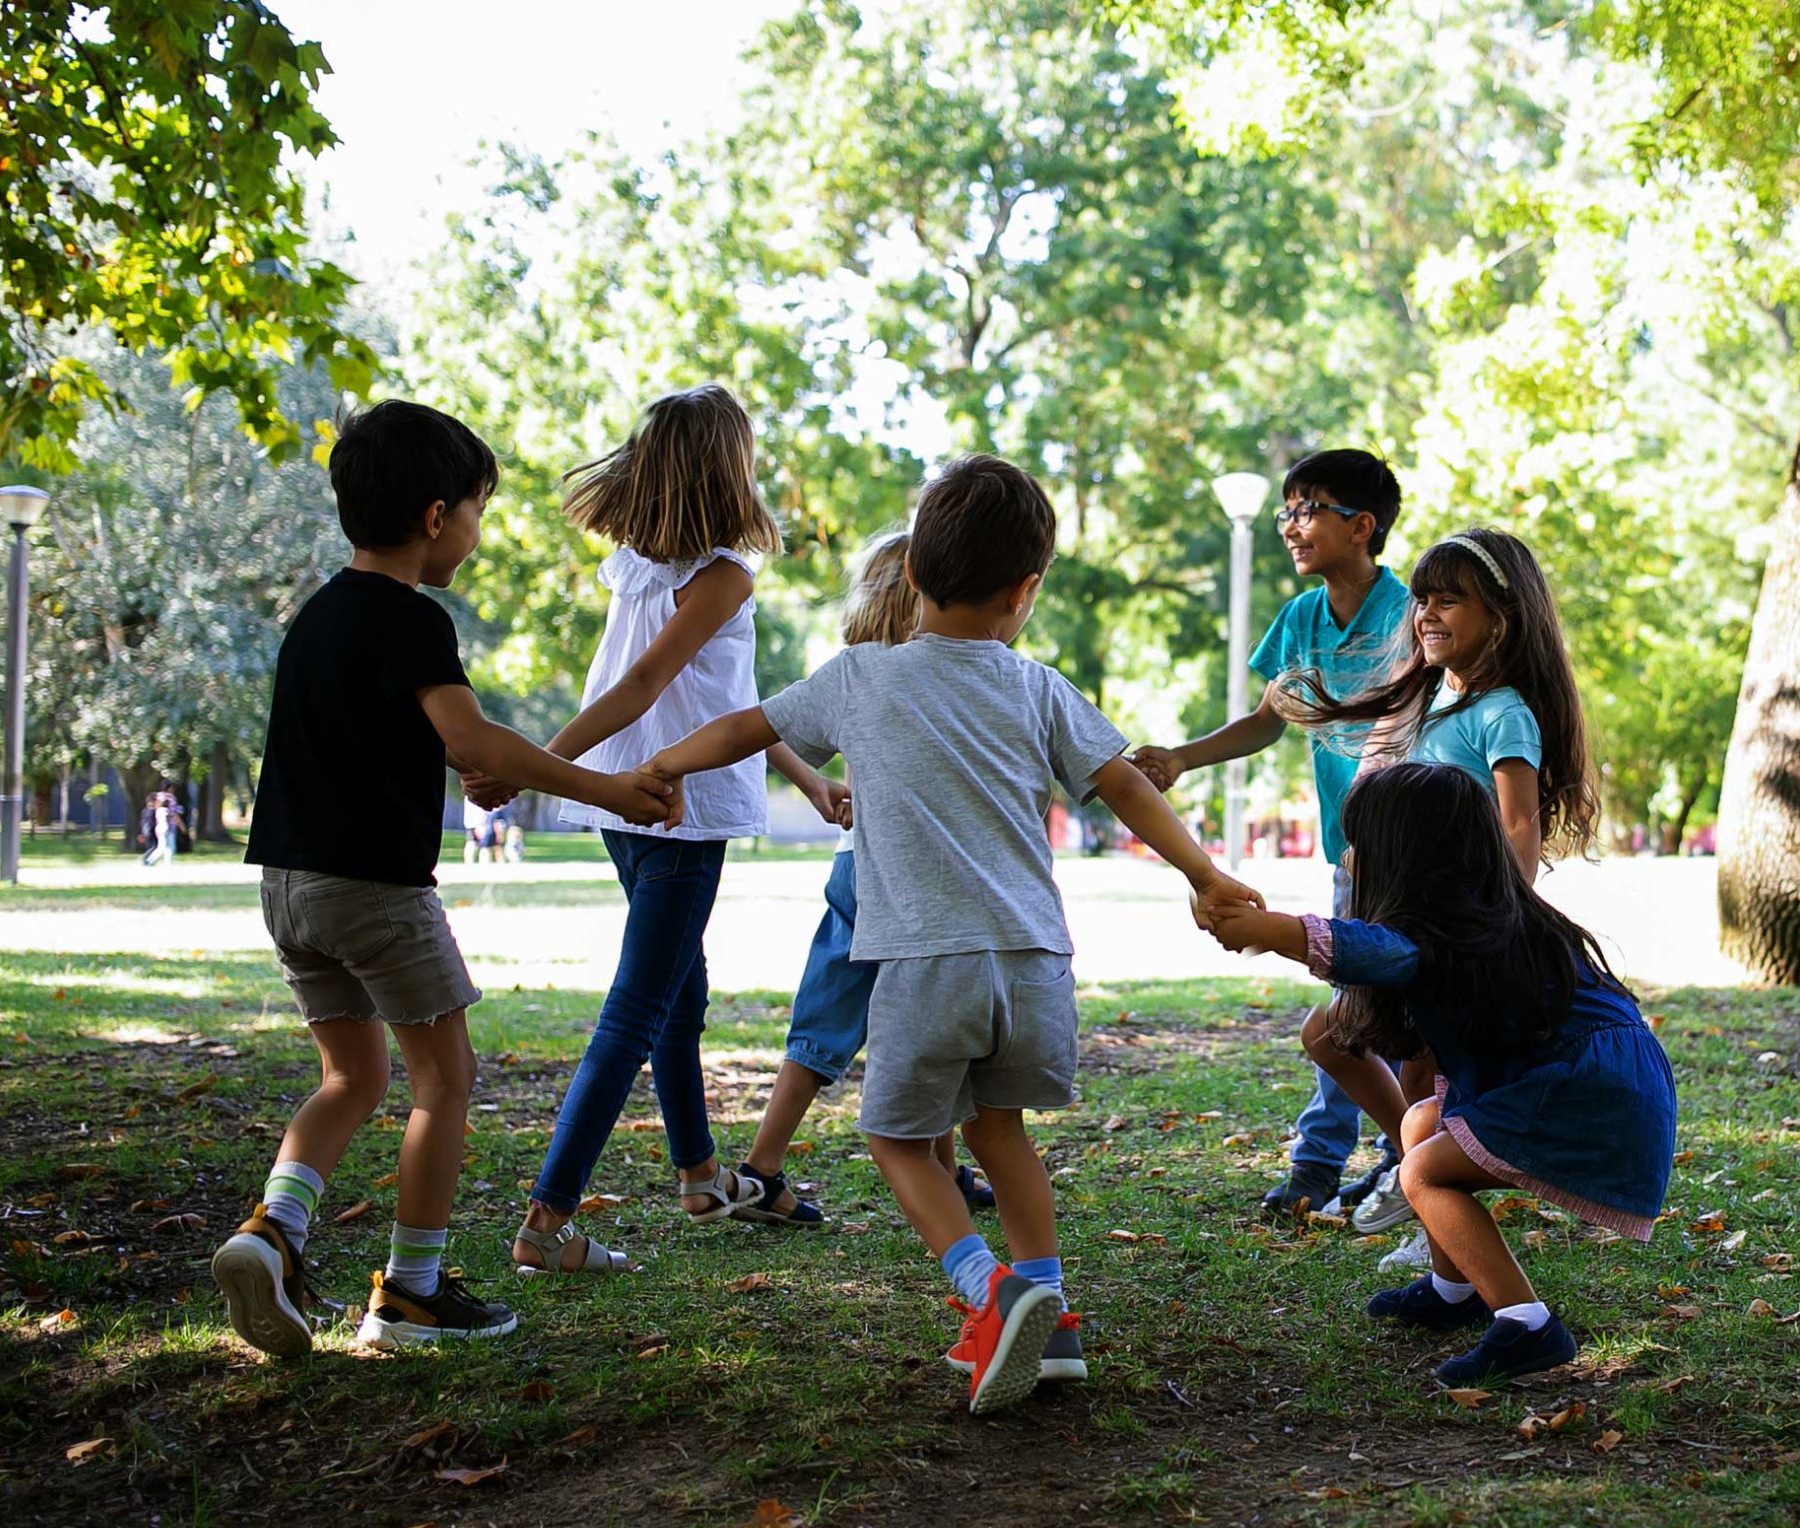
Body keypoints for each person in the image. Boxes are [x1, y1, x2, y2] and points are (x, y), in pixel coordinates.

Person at [644, 453, 1260, 1413]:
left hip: (928, 963)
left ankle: (989, 1288)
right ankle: (1051, 1322)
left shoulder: (860, 677)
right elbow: (1126, 782)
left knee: (893, 1133)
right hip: (1035, 964)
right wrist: (1206, 872)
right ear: (1026, 590)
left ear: (911, 578)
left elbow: (746, 726)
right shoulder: (1036, 686)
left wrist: (668, 763)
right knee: (1001, 1133)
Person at [209, 399, 677, 1358]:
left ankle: (275, 1231)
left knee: (350, 1075)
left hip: (288, 888)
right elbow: (471, 740)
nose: (475, 527)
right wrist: (607, 788)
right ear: (435, 517)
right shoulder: (413, 619)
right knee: (444, 1081)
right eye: (475, 508)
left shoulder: (315, 618)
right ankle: (412, 1290)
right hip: (374, 892)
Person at [484, 385, 846, 1276]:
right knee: (640, 1008)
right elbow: (646, 683)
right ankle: (548, 1216)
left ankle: (697, 1172)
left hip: (627, 799)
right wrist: (530, 763)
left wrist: (804, 771)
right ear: (732, 466)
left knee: (680, 996)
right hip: (674, 807)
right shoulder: (720, 572)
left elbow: (724, 699)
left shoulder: (639, 567)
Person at [1201, 762, 1673, 1385]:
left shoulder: (1444, 934)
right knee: (1421, 1124)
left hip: (1588, 1094)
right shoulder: (1484, 917)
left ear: (1405, 859)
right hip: (1590, 1085)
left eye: (1359, 845)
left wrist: (1271, 930)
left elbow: (1373, 948)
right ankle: (1454, 1291)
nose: (1348, 859)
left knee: (1422, 1171)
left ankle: (1528, 1324)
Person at [1291, 527, 1600, 1250]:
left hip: (1459, 931)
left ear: (1501, 613)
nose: (1426, 612)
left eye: (1449, 600)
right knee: (1333, 1037)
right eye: (1421, 599)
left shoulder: (1503, 712)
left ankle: (1429, 1202)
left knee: (1420, 1067)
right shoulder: (1424, 699)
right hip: (1405, 920)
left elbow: (1519, 821)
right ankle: (1415, 1170)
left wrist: (1506, 921)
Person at [1129, 448, 1410, 1219]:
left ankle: (1336, 1163)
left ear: (1362, 526)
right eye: (1286, 510)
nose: (1291, 525)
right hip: (1347, 856)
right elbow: (1266, 720)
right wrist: (1182, 757)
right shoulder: (1299, 620)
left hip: (1409, 855)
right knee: (1357, 1007)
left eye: (1307, 508)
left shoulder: (1410, 614)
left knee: (1361, 1010)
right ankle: (1386, 1155)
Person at [729, 532, 997, 1232]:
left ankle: (772, 1165)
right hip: (908, 875)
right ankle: (763, 1168)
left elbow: (767, 722)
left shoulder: (859, 670)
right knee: (910, 1015)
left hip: (862, 864)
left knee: (852, 1018)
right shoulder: (938, 671)